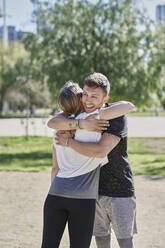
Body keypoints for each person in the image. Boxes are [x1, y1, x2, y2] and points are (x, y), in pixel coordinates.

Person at [49, 72, 137, 248]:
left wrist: (69, 141)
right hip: (92, 192)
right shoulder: (78, 116)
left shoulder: (112, 116)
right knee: (101, 240)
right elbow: (53, 121)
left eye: (94, 96)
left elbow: (101, 150)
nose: (88, 100)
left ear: (105, 99)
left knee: (125, 241)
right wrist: (81, 124)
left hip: (119, 189)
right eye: (85, 95)